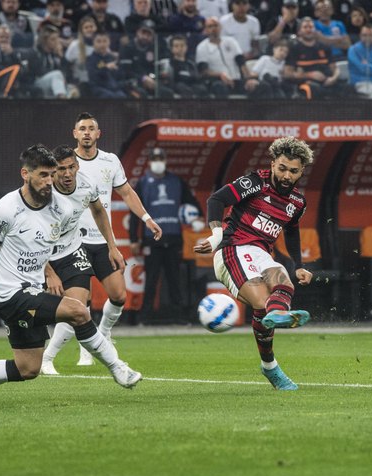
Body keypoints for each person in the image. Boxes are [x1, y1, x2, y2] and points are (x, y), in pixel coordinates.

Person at [0, 145, 142, 404]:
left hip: (31, 288)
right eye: (43, 174)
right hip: (10, 293)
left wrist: (61, 267)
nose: (49, 181)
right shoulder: (5, 209)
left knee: (27, 368)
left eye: (51, 174)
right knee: (78, 311)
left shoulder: (62, 208)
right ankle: (118, 368)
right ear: (25, 174)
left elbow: (52, 243)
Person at [193, 136, 314, 390]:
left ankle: (270, 364)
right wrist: (216, 236)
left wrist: (299, 265)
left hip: (261, 253)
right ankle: (275, 321)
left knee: (284, 283)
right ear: (272, 164)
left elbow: (291, 231)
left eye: (293, 171)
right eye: (282, 168)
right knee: (262, 302)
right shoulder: (255, 183)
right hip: (232, 249)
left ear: (302, 171)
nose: (286, 176)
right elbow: (216, 200)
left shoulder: (297, 203)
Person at [72, 112, 162, 364]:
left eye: (91, 128)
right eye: (82, 128)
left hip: (103, 241)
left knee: (119, 295)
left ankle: (103, 333)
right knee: (81, 301)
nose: (87, 132)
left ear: (98, 134)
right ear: (75, 133)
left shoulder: (110, 161)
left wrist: (147, 218)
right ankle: (85, 348)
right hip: (74, 241)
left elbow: (127, 192)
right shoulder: (67, 163)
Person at [41, 145, 127, 375]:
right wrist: (49, 273)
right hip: (41, 256)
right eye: (61, 169)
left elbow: (98, 211)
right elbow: (31, 238)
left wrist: (112, 247)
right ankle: (37, 355)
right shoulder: (43, 194)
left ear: (77, 166)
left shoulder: (87, 184)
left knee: (77, 307)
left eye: (71, 167)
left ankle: (47, 359)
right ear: (53, 171)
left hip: (71, 251)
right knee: (31, 313)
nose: (67, 174)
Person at [128, 147, 205, 322]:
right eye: (154, 159)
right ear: (149, 162)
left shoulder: (176, 181)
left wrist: (198, 216)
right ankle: (145, 317)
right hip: (152, 239)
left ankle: (178, 317)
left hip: (173, 237)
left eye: (160, 159)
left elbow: (191, 202)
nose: (158, 162)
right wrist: (134, 239)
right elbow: (134, 212)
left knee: (174, 279)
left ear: (165, 160)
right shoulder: (142, 183)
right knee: (151, 279)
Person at [196, 16, 269, 99]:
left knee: (262, 86)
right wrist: (220, 74)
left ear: (220, 27)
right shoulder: (202, 47)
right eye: (210, 26)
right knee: (218, 87)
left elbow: (241, 62)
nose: (213, 29)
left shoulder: (231, 41)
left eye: (216, 25)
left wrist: (248, 79)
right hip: (218, 81)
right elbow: (203, 71)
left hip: (236, 80)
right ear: (205, 30)